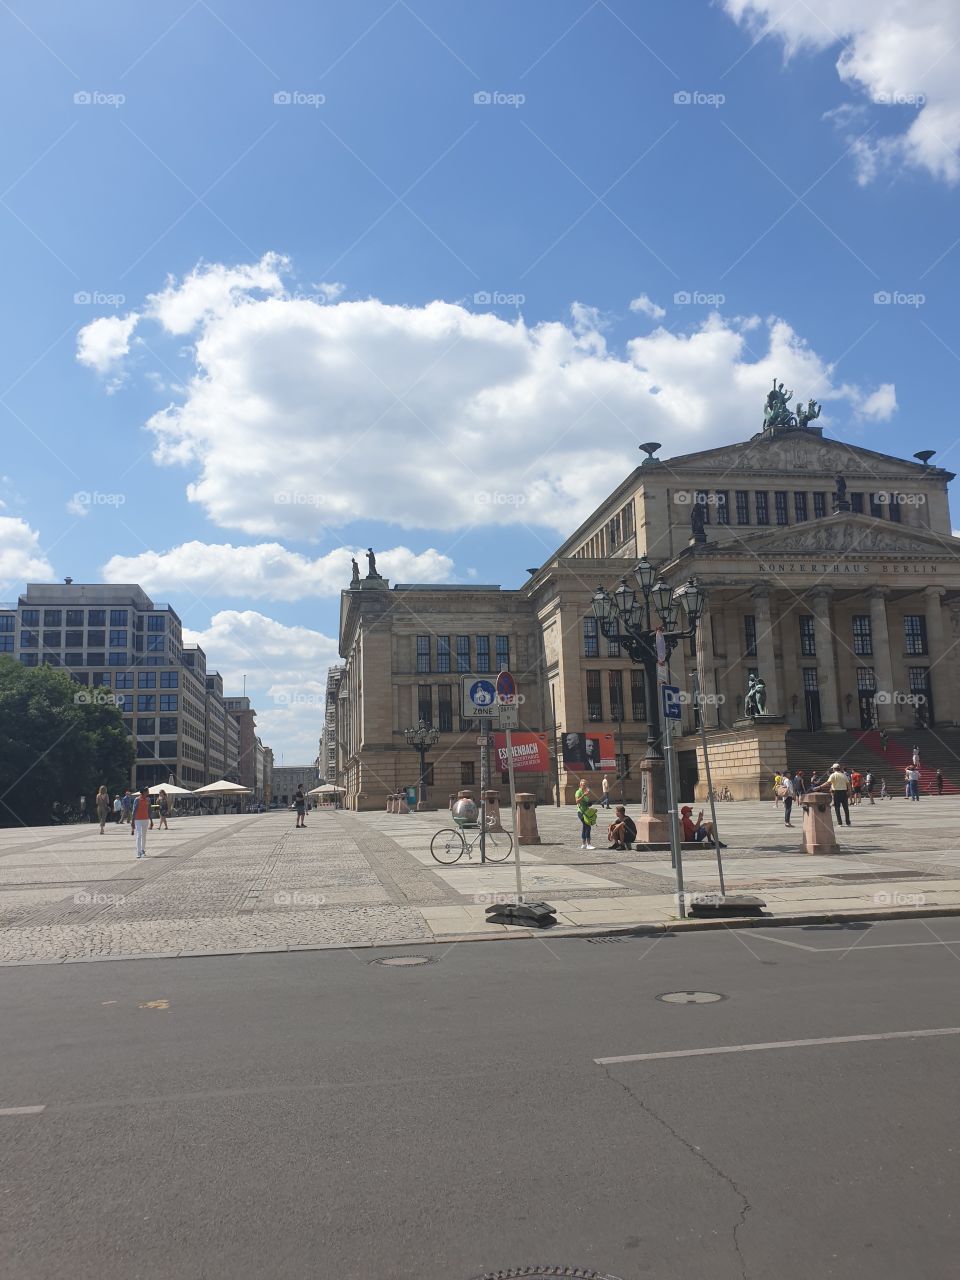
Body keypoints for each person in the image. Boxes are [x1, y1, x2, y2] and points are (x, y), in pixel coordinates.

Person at [575, 779, 595, 850]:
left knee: (585, 826)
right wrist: (583, 795)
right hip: (581, 812)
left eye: (586, 785)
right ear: (580, 785)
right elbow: (577, 801)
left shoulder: (585, 792)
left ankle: (583, 844)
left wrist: (589, 803)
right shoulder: (578, 792)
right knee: (588, 826)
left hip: (586, 812)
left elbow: (585, 803)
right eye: (583, 785)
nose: (585, 786)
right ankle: (588, 844)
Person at [131, 787, 151, 858]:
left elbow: (149, 810)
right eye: (147, 791)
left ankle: (143, 850)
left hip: (146, 819)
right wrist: (132, 821)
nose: (148, 792)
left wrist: (151, 820)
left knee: (144, 835)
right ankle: (138, 852)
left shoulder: (148, 799)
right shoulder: (137, 799)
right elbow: (134, 810)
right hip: (138, 820)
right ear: (144, 792)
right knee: (139, 835)